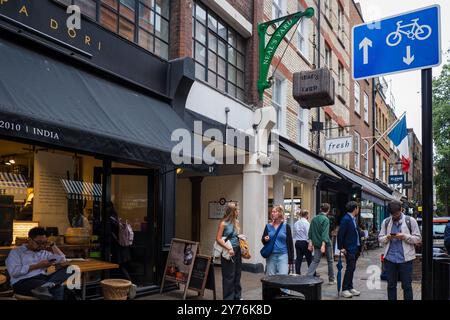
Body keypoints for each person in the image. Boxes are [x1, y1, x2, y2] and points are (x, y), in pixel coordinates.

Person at [6, 227, 70, 300]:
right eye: (39, 242)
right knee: (58, 288)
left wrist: (52, 245)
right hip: (22, 282)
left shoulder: (44, 253)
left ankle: (45, 286)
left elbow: (63, 260)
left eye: (44, 243)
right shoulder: (16, 252)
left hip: (42, 279)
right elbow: (14, 272)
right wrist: (37, 266)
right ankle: (46, 287)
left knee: (71, 269)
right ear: (29, 240)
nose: (42, 245)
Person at [378, 201, 422, 300]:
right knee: (391, 286)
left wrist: (404, 236)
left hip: (405, 260)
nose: (395, 216)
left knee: (407, 286)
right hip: (390, 259)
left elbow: (418, 238)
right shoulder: (386, 222)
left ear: (401, 209)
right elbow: (380, 239)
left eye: (397, 214)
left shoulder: (410, 221)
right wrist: (388, 237)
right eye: (393, 214)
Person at [215, 203, 242, 300]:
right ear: (232, 212)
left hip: (237, 250)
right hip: (228, 251)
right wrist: (229, 248)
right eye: (237, 210)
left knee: (237, 274)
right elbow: (218, 238)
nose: (238, 211)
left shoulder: (236, 222)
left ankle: (237, 296)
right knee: (229, 276)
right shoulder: (223, 223)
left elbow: (235, 236)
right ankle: (228, 298)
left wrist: (242, 240)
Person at [337, 201, 361, 298]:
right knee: (350, 268)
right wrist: (341, 247)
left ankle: (350, 287)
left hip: (355, 247)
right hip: (349, 248)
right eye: (358, 208)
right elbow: (340, 234)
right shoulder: (346, 219)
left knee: (352, 268)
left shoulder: (353, 219)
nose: (358, 209)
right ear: (355, 209)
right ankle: (345, 289)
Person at [307, 203, 335, 284]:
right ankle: (331, 279)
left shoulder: (314, 218)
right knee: (330, 261)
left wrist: (310, 243)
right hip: (325, 243)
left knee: (315, 260)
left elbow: (310, 232)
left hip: (316, 243)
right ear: (328, 210)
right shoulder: (326, 219)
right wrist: (323, 245)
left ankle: (308, 276)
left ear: (321, 209)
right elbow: (325, 233)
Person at [261, 206, 294, 276]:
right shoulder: (268, 226)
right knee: (271, 278)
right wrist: (265, 239)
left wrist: (290, 261)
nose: (272, 213)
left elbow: (290, 244)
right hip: (271, 256)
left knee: (283, 278)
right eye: (272, 212)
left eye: (274, 212)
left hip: (283, 255)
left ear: (280, 213)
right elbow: (263, 241)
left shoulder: (286, 226)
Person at [293, 210, 312, 274]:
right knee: (309, 259)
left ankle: (297, 273)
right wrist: (310, 243)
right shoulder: (307, 223)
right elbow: (308, 234)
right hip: (305, 242)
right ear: (307, 215)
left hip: (297, 242)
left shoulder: (296, 223)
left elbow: (294, 233)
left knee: (298, 259)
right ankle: (312, 273)